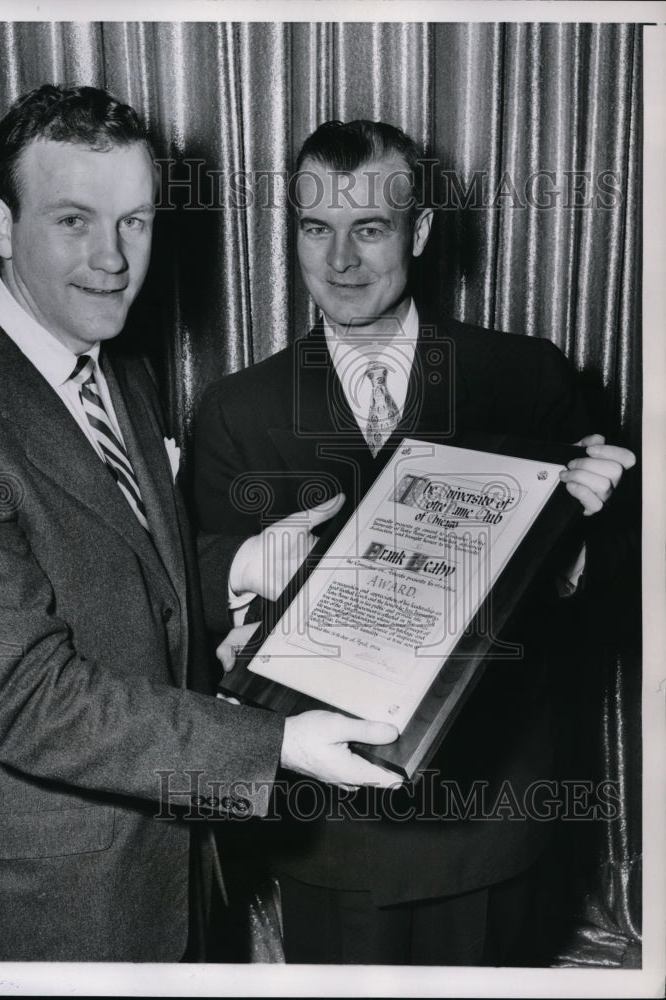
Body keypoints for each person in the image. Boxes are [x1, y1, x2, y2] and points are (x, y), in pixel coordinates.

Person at [0, 91, 405, 963]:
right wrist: (275, 742)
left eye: (135, 221)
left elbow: (134, 579)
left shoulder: (111, 364)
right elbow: (23, 699)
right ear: (0, 226)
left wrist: (243, 564)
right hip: (52, 913)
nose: (112, 259)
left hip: (174, 872)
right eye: (73, 220)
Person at [193, 119, 636, 965]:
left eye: (370, 228)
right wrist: (245, 596)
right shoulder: (236, 410)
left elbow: (614, 594)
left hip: (492, 824)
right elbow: (194, 590)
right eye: (315, 230)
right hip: (328, 839)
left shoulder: (526, 376)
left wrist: (572, 548)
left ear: (420, 231)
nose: (340, 261)